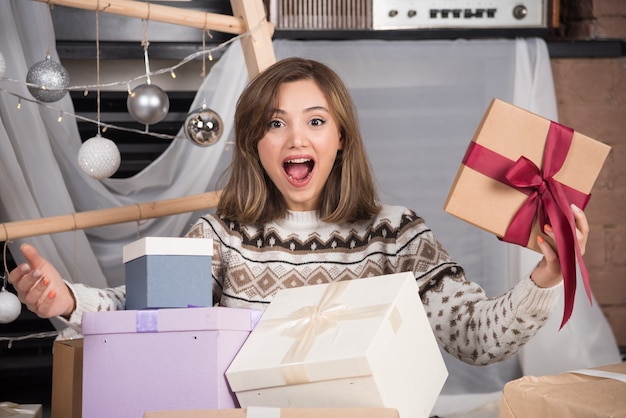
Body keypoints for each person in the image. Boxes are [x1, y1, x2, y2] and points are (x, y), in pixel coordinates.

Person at [9, 57, 588, 365]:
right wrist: (68, 301)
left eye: (315, 121)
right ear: (254, 143)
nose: (295, 140)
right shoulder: (218, 236)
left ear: (341, 140)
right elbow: (143, 314)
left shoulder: (397, 233)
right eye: (275, 123)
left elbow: (475, 341)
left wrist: (548, 276)